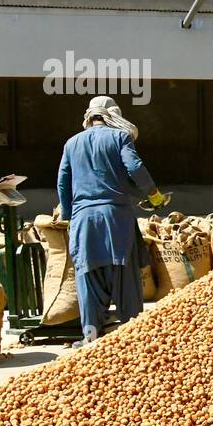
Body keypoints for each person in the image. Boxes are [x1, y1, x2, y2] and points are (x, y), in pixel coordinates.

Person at [56, 96, 163, 346]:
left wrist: (69, 215)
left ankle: (91, 335)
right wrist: (154, 195)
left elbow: (63, 182)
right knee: (123, 272)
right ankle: (132, 333)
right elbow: (135, 167)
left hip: (83, 220)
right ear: (112, 115)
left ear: (89, 117)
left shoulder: (71, 144)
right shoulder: (120, 138)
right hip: (115, 218)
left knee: (88, 274)